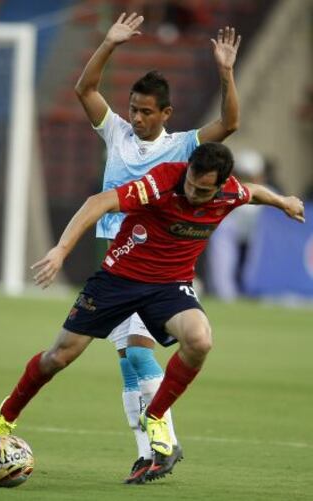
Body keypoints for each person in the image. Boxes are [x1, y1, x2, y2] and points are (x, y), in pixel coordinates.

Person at [0, 143, 305, 484]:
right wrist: (61, 251)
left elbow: (252, 192)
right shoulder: (163, 181)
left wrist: (282, 202)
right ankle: (5, 418)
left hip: (169, 287)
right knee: (58, 357)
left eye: (203, 190)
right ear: (188, 170)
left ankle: (155, 417)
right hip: (118, 281)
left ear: (221, 185)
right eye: (192, 183)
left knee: (200, 340)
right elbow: (98, 202)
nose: (193, 192)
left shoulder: (229, 193)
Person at [73, 11, 242, 483]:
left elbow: (229, 123)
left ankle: (160, 444)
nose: (137, 117)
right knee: (129, 357)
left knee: (138, 354)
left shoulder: (184, 145)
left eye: (147, 111)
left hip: (149, 263)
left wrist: (225, 72)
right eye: (134, 109)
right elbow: (85, 91)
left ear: (165, 114)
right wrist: (109, 43)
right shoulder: (117, 134)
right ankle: (149, 448)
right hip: (114, 253)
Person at [207, 149, 267, 300]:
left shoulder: (268, 191)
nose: (247, 178)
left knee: (254, 261)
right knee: (222, 240)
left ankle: (253, 291)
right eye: (243, 174)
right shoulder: (225, 187)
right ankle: (226, 294)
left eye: (250, 175)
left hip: (255, 234)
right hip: (231, 230)